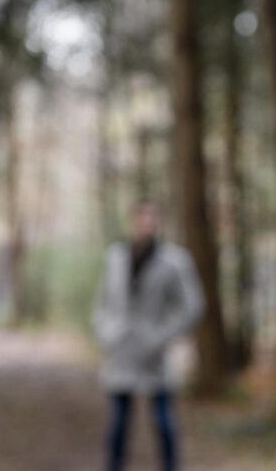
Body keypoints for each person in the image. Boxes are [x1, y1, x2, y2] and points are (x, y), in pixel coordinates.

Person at [92, 202, 203, 471]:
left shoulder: (175, 261)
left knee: (163, 420)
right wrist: (106, 332)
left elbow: (193, 307)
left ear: (158, 224)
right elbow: (102, 301)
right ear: (133, 222)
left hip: (155, 354)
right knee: (118, 422)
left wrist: (162, 337)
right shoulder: (116, 257)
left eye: (152, 221)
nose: (146, 226)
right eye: (142, 220)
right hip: (120, 350)